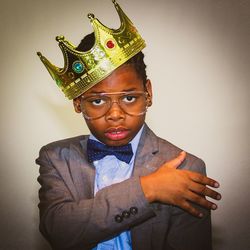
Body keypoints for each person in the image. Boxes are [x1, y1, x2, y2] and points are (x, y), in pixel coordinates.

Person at [36, 1, 221, 249]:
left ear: (149, 93)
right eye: (98, 100)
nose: (115, 114)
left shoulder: (186, 168)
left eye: (129, 97)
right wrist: (148, 188)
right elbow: (58, 230)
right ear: (78, 103)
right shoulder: (56, 158)